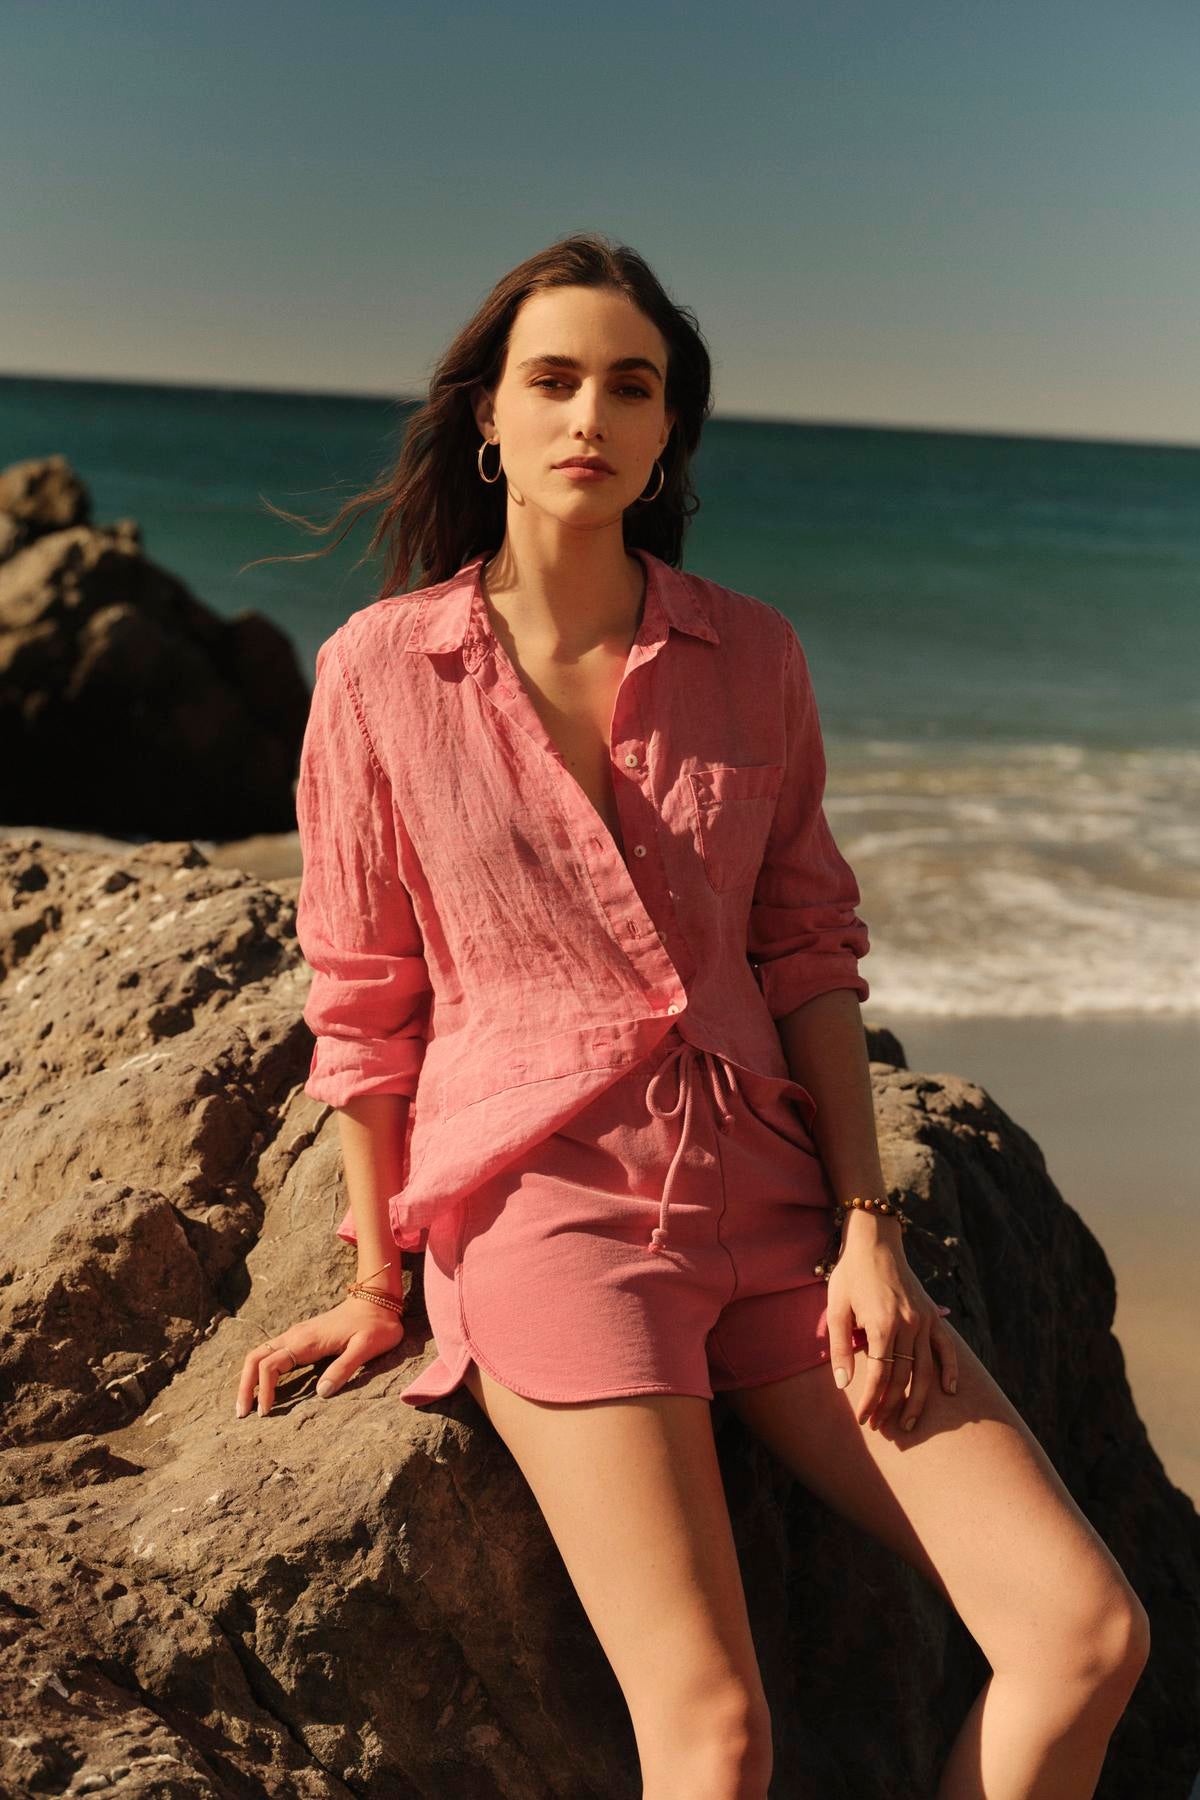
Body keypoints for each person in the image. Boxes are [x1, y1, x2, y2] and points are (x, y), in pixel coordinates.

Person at [235, 234, 1149, 1798]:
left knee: (1085, 1635)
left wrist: (870, 1230)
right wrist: (378, 1281)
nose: (591, 411)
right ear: (490, 422)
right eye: (556, 379)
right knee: (715, 1737)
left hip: (778, 1216)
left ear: (669, 438)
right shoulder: (383, 671)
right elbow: (364, 1001)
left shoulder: (753, 655)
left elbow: (808, 950)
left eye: (631, 386)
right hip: (551, 1217)